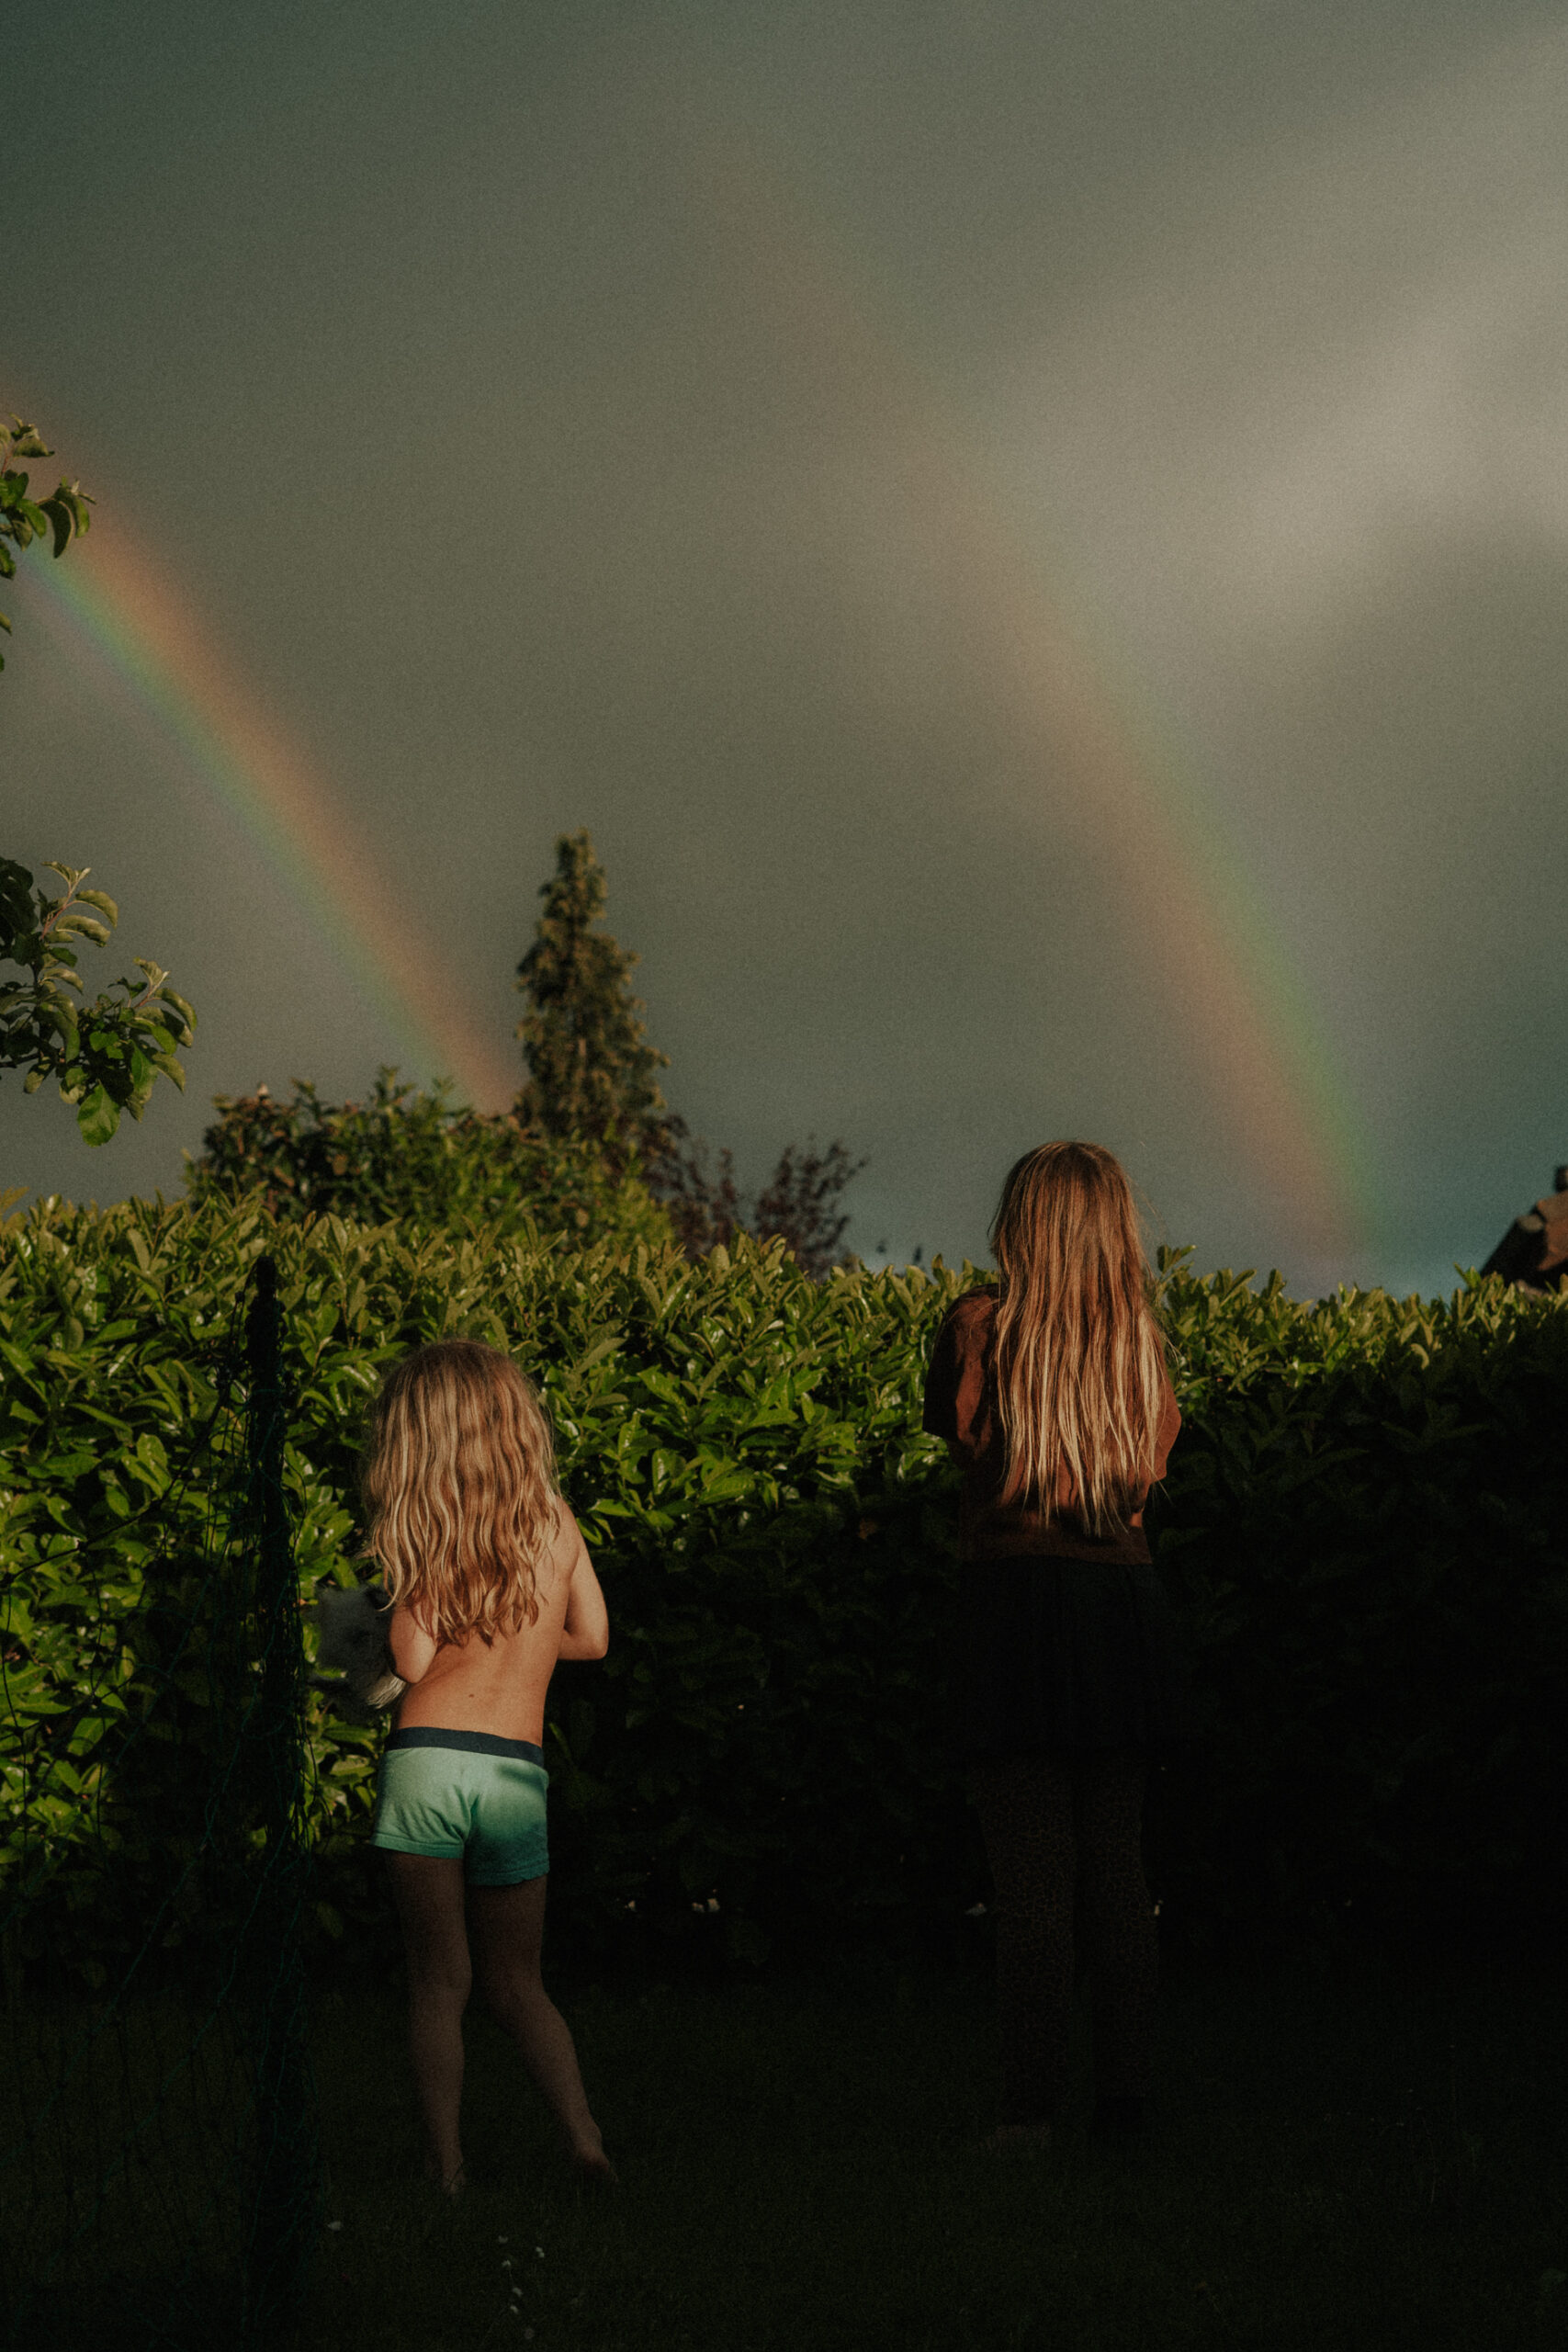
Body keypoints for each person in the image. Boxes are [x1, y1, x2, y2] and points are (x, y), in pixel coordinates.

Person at [921, 1142, 1190, 2148]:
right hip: (1122, 1604)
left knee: (1031, 1874)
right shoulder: (1139, 1346)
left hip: (1016, 1602)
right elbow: (1151, 1458)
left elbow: (955, 1433)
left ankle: (1029, 2115)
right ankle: (1125, 2106)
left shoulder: (979, 1327)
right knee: (1117, 1866)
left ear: (1019, 1222)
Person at [361, 1338, 614, 2192]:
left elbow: (414, 1659)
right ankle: (582, 2138)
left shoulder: (429, 1527)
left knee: (440, 1981)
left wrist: (398, 1596)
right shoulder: (554, 1519)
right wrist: (523, 1645)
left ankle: (446, 2164)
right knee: (518, 1982)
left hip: (429, 1762)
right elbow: (592, 1638)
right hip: (514, 1771)